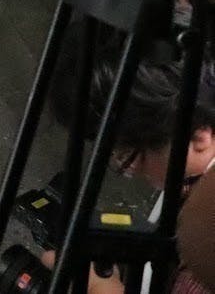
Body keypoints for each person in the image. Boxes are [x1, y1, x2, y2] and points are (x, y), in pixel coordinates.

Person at [46, 25, 215, 294]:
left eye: (128, 153)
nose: (132, 169)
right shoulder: (191, 181)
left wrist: (105, 289)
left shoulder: (206, 232)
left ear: (199, 135)